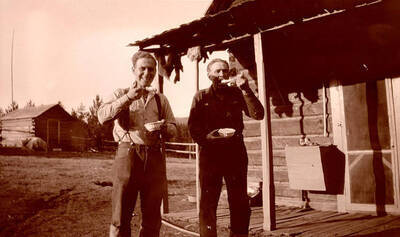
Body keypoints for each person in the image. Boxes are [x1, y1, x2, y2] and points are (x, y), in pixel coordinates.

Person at [98, 51, 177, 237]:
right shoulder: (120, 93)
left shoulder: (160, 99)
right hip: (128, 155)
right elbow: (102, 116)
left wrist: (163, 128)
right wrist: (128, 98)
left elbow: (173, 129)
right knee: (121, 215)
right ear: (133, 70)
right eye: (142, 68)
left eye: (151, 69)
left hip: (154, 158)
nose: (147, 73)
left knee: (151, 217)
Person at [188, 58, 264, 237]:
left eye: (225, 71)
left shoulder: (238, 93)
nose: (222, 75)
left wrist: (246, 88)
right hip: (210, 154)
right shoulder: (201, 96)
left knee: (239, 201)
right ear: (209, 75)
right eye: (217, 71)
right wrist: (207, 137)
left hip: (235, 153)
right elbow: (193, 127)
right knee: (208, 201)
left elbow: (258, 114)